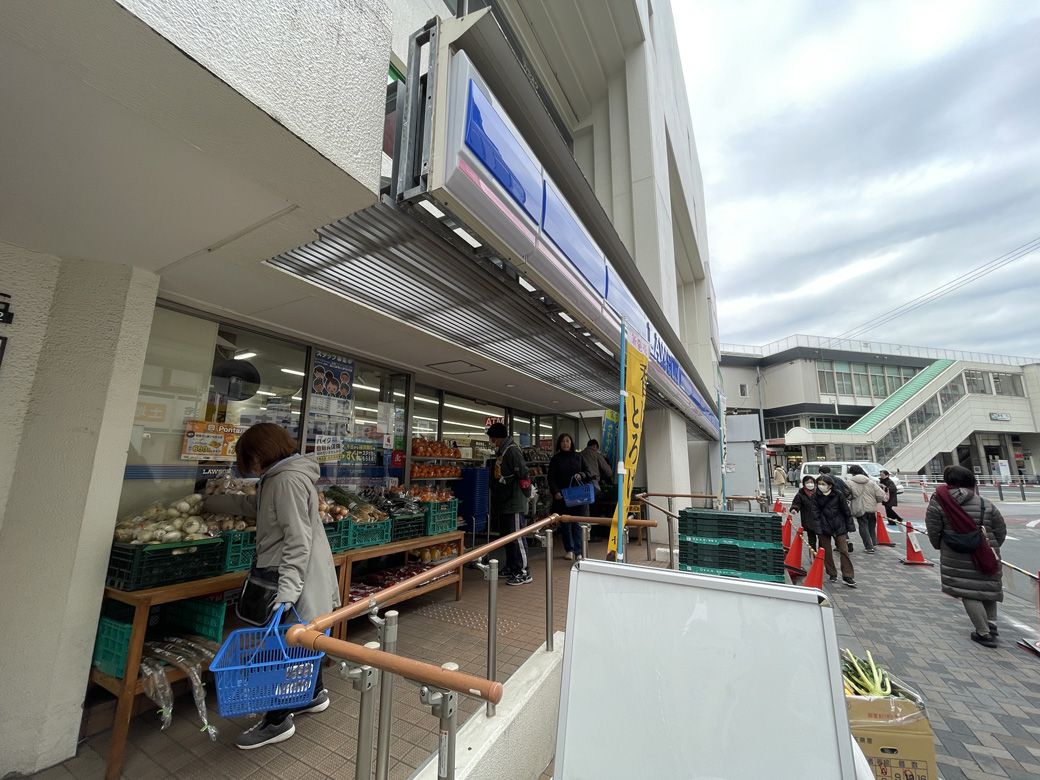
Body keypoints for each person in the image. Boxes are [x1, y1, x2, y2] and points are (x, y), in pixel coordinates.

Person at [205, 423, 340, 749]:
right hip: (295, 575)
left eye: (246, 457)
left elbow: (298, 539)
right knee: (304, 640)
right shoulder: (280, 478)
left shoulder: (287, 480)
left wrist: (288, 591)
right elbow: (259, 510)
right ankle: (313, 694)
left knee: (282, 647)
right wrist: (210, 503)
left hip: (291, 577)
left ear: (258, 453)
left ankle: (277, 721)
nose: (246, 465)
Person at [925, 465, 1006, 648]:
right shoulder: (985, 502)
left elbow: (933, 529)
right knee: (987, 587)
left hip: (955, 552)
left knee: (968, 591)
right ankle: (991, 624)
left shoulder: (939, 501)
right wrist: (991, 545)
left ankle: (983, 632)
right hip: (985, 550)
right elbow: (1000, 529)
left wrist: (940, 545)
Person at [487, 422, 533, 586]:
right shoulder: (504, 450)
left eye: (493, 438)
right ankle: (513, 566)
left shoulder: (512, 450)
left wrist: (527, 494)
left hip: (514, 502)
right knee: (508, 537)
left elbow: (523, 473)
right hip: (506, 501)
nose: (492, 441)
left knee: (517, 537)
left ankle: (524, 572)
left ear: (498, 437)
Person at [548, 433, 591, 560]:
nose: (565, 444)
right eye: (562, 441)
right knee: (565, 525)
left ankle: (578, 551)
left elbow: (589, 472)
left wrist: (581, 475)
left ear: (571, 443)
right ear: (559, 444)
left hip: (578, 496)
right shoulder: (555, 459)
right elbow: (551, 478)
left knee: (576, 524)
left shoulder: (579, 457)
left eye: (567, 441)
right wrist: (555, 492)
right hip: (562, 496)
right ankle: (569, 550)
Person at [813, 474, 857, 588]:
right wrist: (818, 529)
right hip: (823, 527)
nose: (821, 486)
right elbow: (815, 514)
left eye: (824, 484)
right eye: (819, 484)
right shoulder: (815, 496)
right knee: (826, 551)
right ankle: (832, 573)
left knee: (844, 550)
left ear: (830, 485)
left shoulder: (838, 494)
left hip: (839, 526)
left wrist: (850, 525)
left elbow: (846, 511)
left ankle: (848, 575)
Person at [846, 464, 886, 554]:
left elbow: (847, 495)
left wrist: (851, 498)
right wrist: (876, 501)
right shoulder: (871, 482)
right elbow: (880, 494)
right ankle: (874, 543)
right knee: (871, 527)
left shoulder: (849, 482)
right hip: (871, 507)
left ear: (852, 473)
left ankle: (868, 547)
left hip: (859, 508)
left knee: (863, 527)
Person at [818, 466, 854, 551]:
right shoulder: (839, 479)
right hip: (840, 505)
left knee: (830, 527)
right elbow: (847, 491)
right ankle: (846, 542)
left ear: (821, 472)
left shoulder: (822, 481)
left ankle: (832, 546)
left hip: (827, 507)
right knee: (840, 526)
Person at [789, 475, 819, 549]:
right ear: (804, 484)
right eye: (807, 482)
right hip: (809, 519)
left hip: (820, 519)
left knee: (822, 539)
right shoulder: (800, 494)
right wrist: (794, 509)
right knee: (811, 539)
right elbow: (796, 504)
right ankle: (813, 556)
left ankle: (821, 556)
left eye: (811, 482)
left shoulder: (819, 492)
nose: (810, 484)